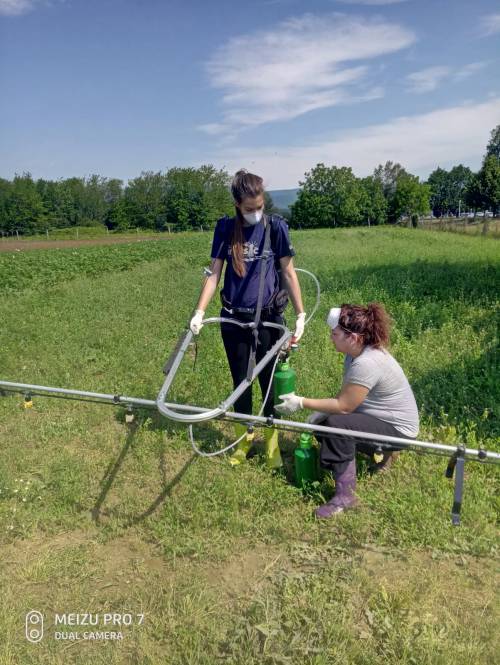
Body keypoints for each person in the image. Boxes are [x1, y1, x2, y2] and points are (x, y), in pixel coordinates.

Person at [189, 169, 305, 469]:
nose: (256, 213)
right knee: (241, 383)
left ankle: (272, 446)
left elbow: (289, 273)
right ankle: (243, 441)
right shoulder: (226, 229)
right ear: (238, 205)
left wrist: (301, 314)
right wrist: (200, 312)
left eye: (260, 207)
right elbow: (214, 273)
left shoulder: (275, 227)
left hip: (269, 319)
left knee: (268, 385)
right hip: (233, 321)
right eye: (249, 209)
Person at [275, 303, 419, 517]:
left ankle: (346, 496)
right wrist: (322, 412)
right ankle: (383, 455)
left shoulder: (367, 363)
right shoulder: (355, 355)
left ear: (352, 337)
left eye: (335, 333)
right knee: (324, 425)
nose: (331, 337)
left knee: (336, 427)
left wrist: (302, 402)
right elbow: (348, 396)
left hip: (398, 430)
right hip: (381, 419)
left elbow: (344, 406)